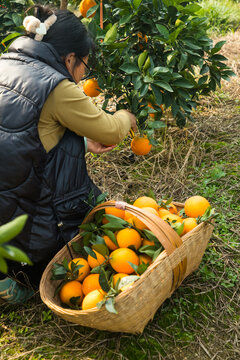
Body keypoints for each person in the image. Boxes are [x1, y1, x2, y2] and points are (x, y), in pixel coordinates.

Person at [0, 5, 137, 304]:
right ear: (70, 58)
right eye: (83, 67)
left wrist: (82, 142)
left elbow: (21, 135)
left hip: (4, 215)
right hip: (29, 224)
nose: (81, 76)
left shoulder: (4, 64)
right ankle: (24, 282)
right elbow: (111, 131)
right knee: (84, 249)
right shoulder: (56, 85)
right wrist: (127, 117)